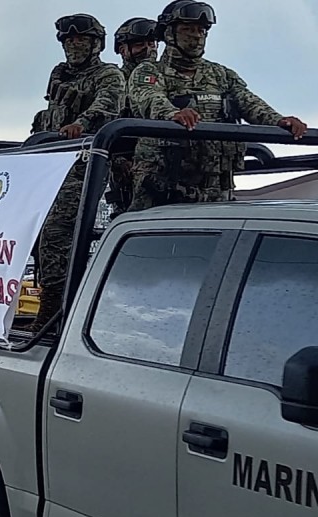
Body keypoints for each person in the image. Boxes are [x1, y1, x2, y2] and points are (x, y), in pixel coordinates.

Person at [127, 0, 307, 211]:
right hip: (164, 188)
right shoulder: (148, 71)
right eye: (187, 29)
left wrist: (279, 120)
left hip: (216, 188)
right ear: (168, 33)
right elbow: (148, 97)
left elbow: (248, 101)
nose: (196, 35)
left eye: (201, 30)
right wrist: (172, 114)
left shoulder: (221, 74)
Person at [26, 13, 125, 332]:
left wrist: (80, 125)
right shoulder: (58, 76)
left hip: (84, 165)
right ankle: (54, 307)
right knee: (39, 235)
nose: (74, 45)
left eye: (80, 39)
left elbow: (107, 107)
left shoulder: (108, 74)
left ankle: (55, 313)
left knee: (58, 233)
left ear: (96, 43)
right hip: (50, 165)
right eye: (69, 40)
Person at [105, 17, 158, 218]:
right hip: (128, 169)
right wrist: (118, 160)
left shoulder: (165, 76)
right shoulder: (113, 82)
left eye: (152, 43)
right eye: (139, 44)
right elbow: (103, 126)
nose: (148, 49)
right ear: (122, 50)